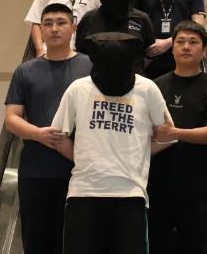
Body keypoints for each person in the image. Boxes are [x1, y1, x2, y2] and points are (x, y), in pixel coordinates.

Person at [51, 32, 173, 254]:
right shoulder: (78, 88)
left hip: (130, 194)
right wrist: (88, 158)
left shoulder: (147, 89)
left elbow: (168, 135)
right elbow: (58, 136)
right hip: (84, 193)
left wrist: (135, 153)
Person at [4, 3, 92, 254]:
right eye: (48, 23)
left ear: (73, 27)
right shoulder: (26, 70)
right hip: (35, 171)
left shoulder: (90, 67)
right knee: (36, 243)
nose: (54, 29)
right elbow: (11, 118)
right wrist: (40, 135)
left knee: (75, 243)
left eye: (61, 22)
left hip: (79, 172)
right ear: (40, 30)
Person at [149, 21, 207, 254]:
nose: (186, 47)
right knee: (155, 244)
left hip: (196, 184)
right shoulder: (155, 86)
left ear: (203, 51)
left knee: (194, 245)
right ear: (172, 48)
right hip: (157, 181)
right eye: (181, 42)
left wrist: (175, 133)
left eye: (193, 42)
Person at [76, 0, 155, 74]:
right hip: (96, 79)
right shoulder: (89, 19)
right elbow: (80, 52)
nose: (114, 0)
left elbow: (150, 51)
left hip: (134, 80)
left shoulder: (141, 18)